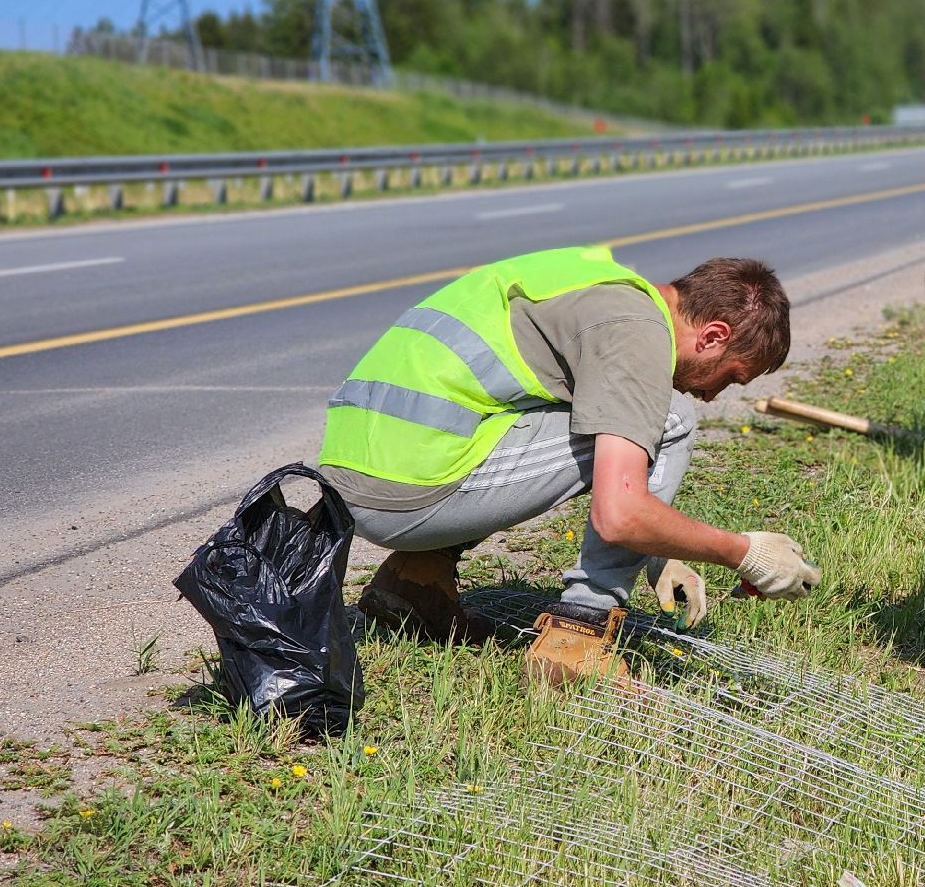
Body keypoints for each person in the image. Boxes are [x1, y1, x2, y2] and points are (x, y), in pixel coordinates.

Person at [318, 247, 822, 643]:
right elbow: (620, 514)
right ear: (713, 336)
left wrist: (656, 554)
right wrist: (744, 553)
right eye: (730, 378)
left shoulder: (601, 288)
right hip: (403, 492)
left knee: (600, 416)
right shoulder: (639, 333)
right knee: (672, 415)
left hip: (356, 472)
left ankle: (414, 581)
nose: (712, 395)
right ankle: (581, 629)